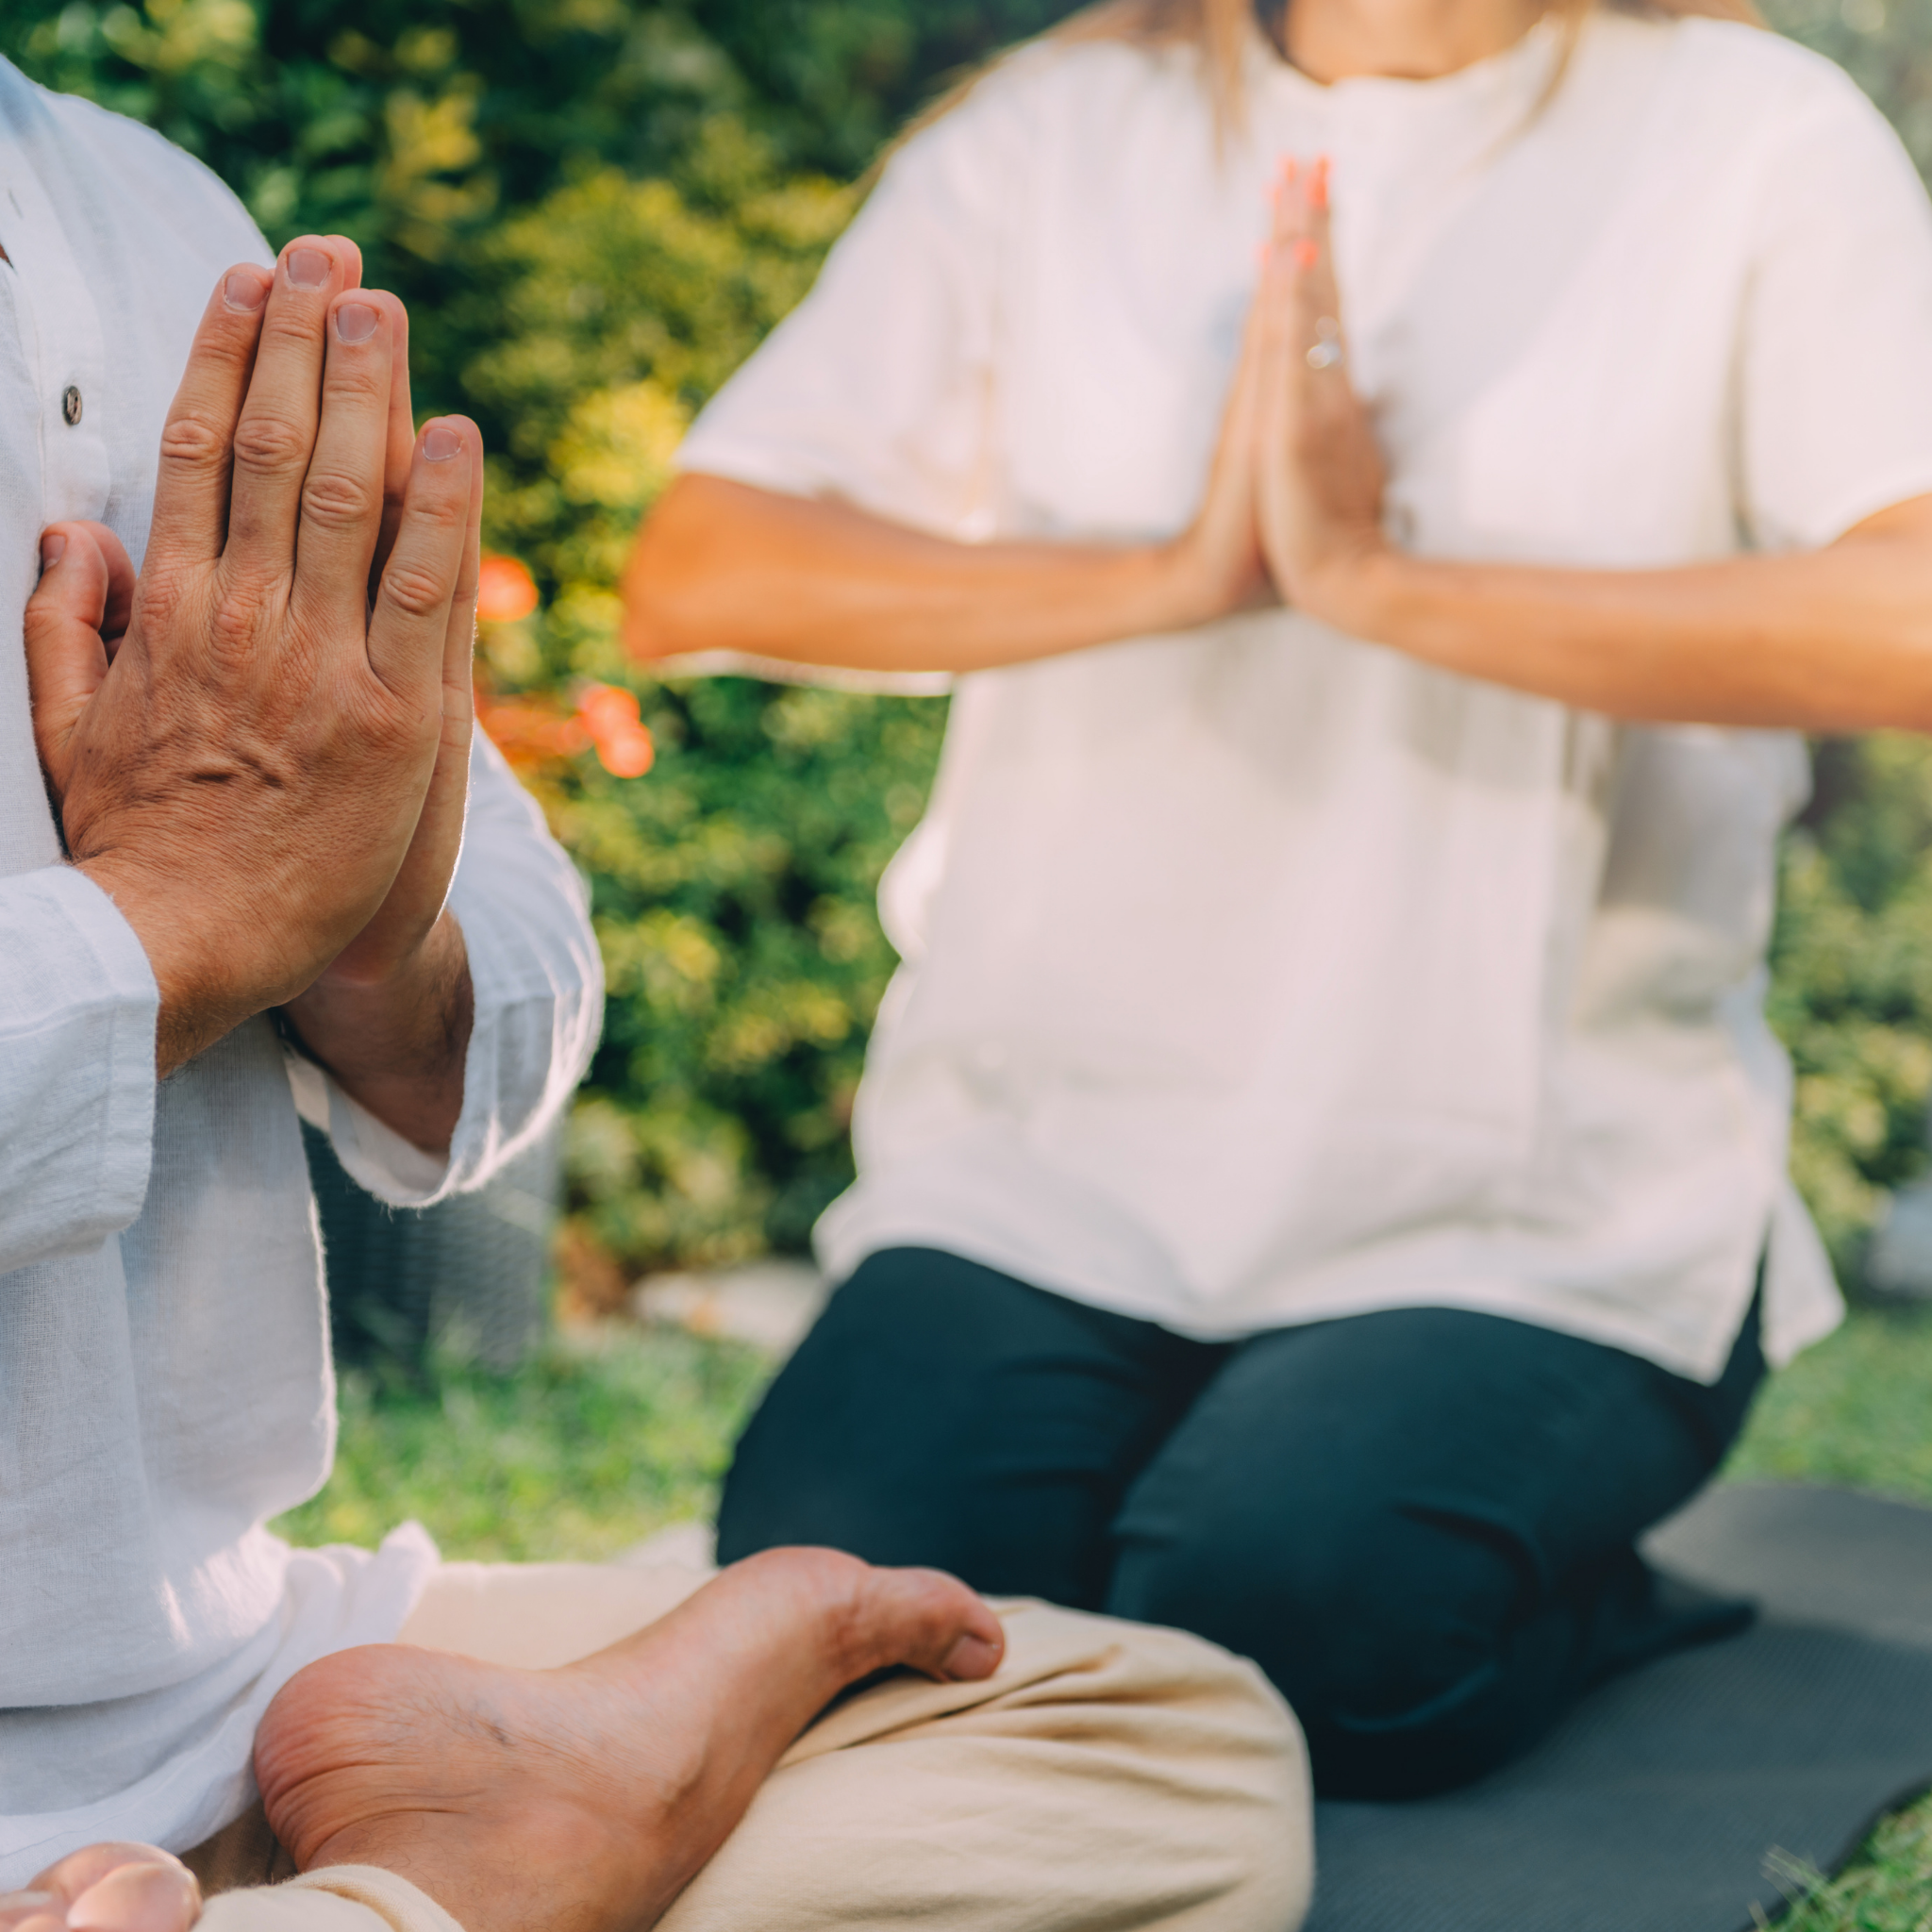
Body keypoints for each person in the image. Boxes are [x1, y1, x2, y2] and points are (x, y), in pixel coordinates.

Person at [0, 56, 1307, 1932]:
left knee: (1172, 1754)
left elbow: (523, 973)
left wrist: (366, 929)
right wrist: (178, 927)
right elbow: (725, 566)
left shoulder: (159, 213)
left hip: (213, 1678)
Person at [623, 0, 1932, 1799]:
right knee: (854, 1616)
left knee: (1300, 1624)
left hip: (1541, 1207)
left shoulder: (1753, 135)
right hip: (1056, 1165)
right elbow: (704, 563)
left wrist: (1385, 583)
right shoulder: (1058, 128)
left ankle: (1595, 1593)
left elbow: (1912, 611)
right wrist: (1188, 573)